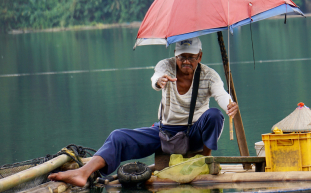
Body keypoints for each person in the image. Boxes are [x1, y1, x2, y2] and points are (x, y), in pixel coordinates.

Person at [48, 37, 238, 187]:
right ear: (175, 55)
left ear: (200, 56)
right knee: (118, 137)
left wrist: (229, 103)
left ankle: (205, 160)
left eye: (191, 57)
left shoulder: (209, 75)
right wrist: (159, 81)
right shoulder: (166, 66)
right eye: (182, 57)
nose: (186, 61)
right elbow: (155, 77)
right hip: (166, 133)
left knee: (215, 115)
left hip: (194, 133)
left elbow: (221, 94)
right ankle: (83, 172)